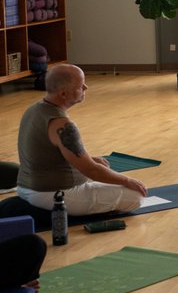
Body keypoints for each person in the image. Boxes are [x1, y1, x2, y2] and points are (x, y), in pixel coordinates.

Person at [16, 64, 146, 215]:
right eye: (80, 85)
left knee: (104, 169)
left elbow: (58, 153)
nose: (86, 87)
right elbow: (91, 171)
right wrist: (128, 181)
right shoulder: (61, 124)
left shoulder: (34, 109)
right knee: (136, 197)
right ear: (63, 94)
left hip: (26, 187)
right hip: (52, 194)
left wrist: (91, 159)